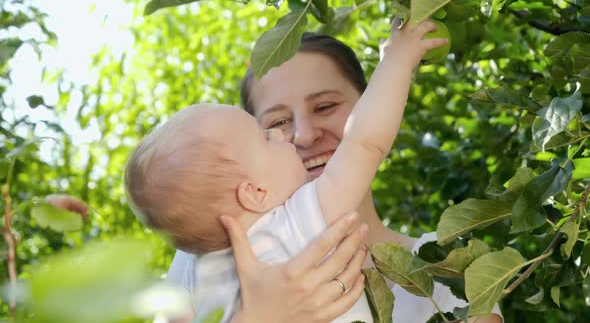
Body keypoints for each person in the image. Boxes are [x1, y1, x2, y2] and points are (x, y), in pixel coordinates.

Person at [166, 28, 504, 323]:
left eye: (325, 107)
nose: (303, 135)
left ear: (369, 103)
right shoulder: (208, 249)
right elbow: (365, 143)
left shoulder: (450, 268)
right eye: (276, 124)